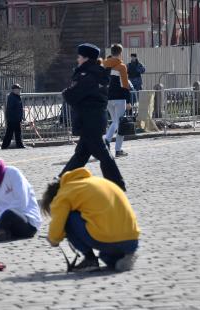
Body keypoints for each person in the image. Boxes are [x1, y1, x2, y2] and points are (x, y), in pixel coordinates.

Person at [41, 167, 140, 272]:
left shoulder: (64, 193)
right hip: (132, 239)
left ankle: (90, 259)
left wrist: (53, 239)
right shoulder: (100, 181)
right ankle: (124, 256)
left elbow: (58, 224)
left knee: (68, 217)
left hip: (107, 239)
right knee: (105, 257)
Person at [60, 43, 126, 192]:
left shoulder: (89, 75)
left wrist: (65, 93)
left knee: (102, 154)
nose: (77, 59)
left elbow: (74, 95)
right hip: (92, 119)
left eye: (79, 57)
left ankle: (117, 184)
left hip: (90, 120)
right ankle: (61, 181)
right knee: (81, 156)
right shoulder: (95, 72)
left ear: (85, 58)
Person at [104, 44, 132, 157]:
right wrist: (129, 101)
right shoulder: (121, 66)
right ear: (120, 53)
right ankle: (116, 148)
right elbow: (125, 85)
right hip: (119, 98)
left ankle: (107, 141)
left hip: (107, 98)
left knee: (114, 122)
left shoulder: (104, 65)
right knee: (120, 123)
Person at [1, 84, 25, 149]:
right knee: (10, 133)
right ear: (14, 90)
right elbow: (11, 108)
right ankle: (4, 146)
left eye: (20, 89)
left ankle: (19, 145)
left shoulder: (16, 96)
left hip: (16, 118)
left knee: (17, 132)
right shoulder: (12, 97)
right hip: (13, 118)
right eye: (18, 89)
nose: (19, 90)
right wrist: (15, 116)